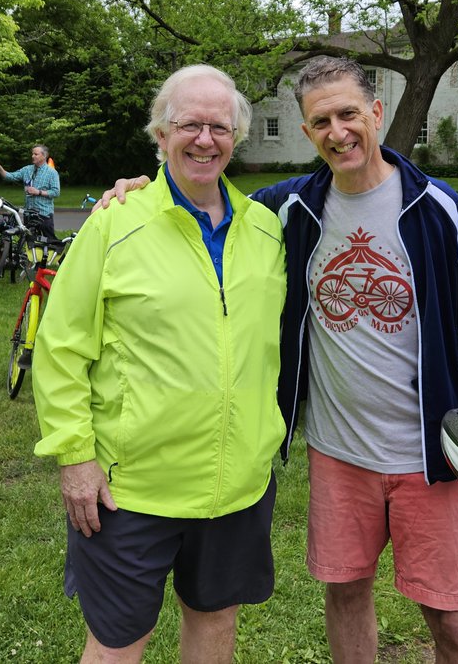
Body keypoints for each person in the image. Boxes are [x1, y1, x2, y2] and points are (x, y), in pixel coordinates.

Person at [101, 56, 458, 662]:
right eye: (321, 121)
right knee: (346, 597)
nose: (338, 131)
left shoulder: (439, 209)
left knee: (454, 621)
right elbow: (205, 194)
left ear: (376, 113)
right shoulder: (288, 212)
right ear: (307, 132)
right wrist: (144, 188)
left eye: (349, 114)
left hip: (430, 453)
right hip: (338, 455)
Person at [31, 65, 287, 663]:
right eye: (189, 124)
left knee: (215, 620)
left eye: (219, 126)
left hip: (237, 484)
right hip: (132, 490)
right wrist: (75, 458)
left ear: (237, 136)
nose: (205, 139)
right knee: (118, 644)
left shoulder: (267, 230)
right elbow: (62, 346)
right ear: (160, 134)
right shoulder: (115, 222)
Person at [0, 145, 61, 242]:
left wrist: (38, 192)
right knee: (28, 242)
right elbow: (10, 176)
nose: (33, 156)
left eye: (36, 154)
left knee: (50, 241)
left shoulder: (52, 173)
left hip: (44, 214)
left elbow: (56, 192)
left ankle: (56, 256)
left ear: (44, 156)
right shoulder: (27, 169)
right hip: (29, 214)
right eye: (32, 154)